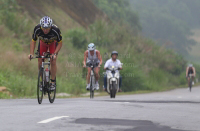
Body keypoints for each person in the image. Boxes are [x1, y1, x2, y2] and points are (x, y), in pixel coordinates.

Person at [28, 16, 62, 90]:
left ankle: (52, 82)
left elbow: (60, 43)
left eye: (47, 28)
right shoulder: (37, 28)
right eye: (43, 28)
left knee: (53, 60)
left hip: (53, 44)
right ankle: (42, 81)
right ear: (41, 26)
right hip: (43, 44)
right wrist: (31, 53)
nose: (45, 30)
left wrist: (55, 54)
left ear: (50, 27)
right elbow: (33, 41)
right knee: (40, 61)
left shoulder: (55, 30)